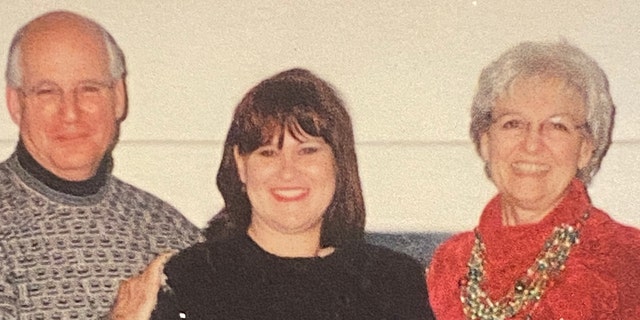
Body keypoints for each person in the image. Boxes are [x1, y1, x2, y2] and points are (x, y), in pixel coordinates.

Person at [112, 68, 434, 319]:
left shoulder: (392, 281)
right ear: (241, 165)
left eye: (307, 151)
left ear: (338, 163)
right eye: (267, 153)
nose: (288, 170)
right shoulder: (191, 278)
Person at [0, 11, 201, 319]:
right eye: (47, 92)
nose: (70, 112)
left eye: (89, 88)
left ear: (118, 96)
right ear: (15, 103)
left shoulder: (169, 231)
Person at [427, 40, 640, 319]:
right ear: (486, 141)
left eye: (557, 126)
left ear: (585, 148)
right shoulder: (448, 265)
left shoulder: (628, 261)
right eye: (513, 123)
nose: (531, 144)